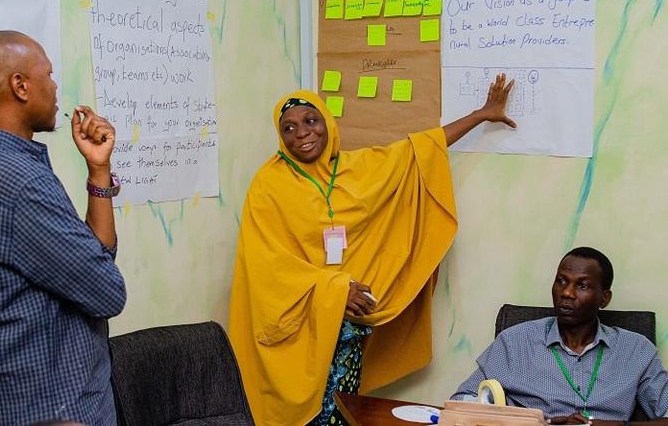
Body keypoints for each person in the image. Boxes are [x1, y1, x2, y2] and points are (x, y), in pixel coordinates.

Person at [227, 75, 516, 425]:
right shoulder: (268, 185)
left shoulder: (358, 168)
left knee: (342, 411)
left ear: (328, 124)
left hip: (349, 325)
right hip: (300, 327)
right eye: (288, 128)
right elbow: (265, 262)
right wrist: (335, 290)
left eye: (310, 121)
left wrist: (481, 114)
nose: (301, 133)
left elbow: (419, 150)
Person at [0, 30, 127, 425]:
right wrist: (100, 270)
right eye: (48, 73)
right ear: (21, 86)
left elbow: (95, 260)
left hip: (15, 397)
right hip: (51, 409)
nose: (55, 85)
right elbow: (108, 292)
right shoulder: (18, 183)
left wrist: (99, 169)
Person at [451, 247, 668, 425]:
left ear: (604, 298)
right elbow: (461, 402)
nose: (566, 293)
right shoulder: (516, 341)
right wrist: (541, 422)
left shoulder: (636, 350)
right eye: (561, 281)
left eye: (581, 285)